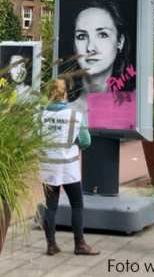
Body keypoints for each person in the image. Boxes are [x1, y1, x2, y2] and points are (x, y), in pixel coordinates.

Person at [39, 79, 100, 256]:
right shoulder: (75, 116)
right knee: (77, 204)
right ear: (65, 95)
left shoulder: (39, 117)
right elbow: (85, 141)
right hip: (69, 167)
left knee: (50, 205)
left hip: (48, 167)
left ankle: (51, 245)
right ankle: (79, 244)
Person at [63, 0, 134, 115]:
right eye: (81, 36)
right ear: (73, 45)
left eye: (102, 34)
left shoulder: (132, 108)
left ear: (120, 42)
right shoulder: (63, 111)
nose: (90, 47)